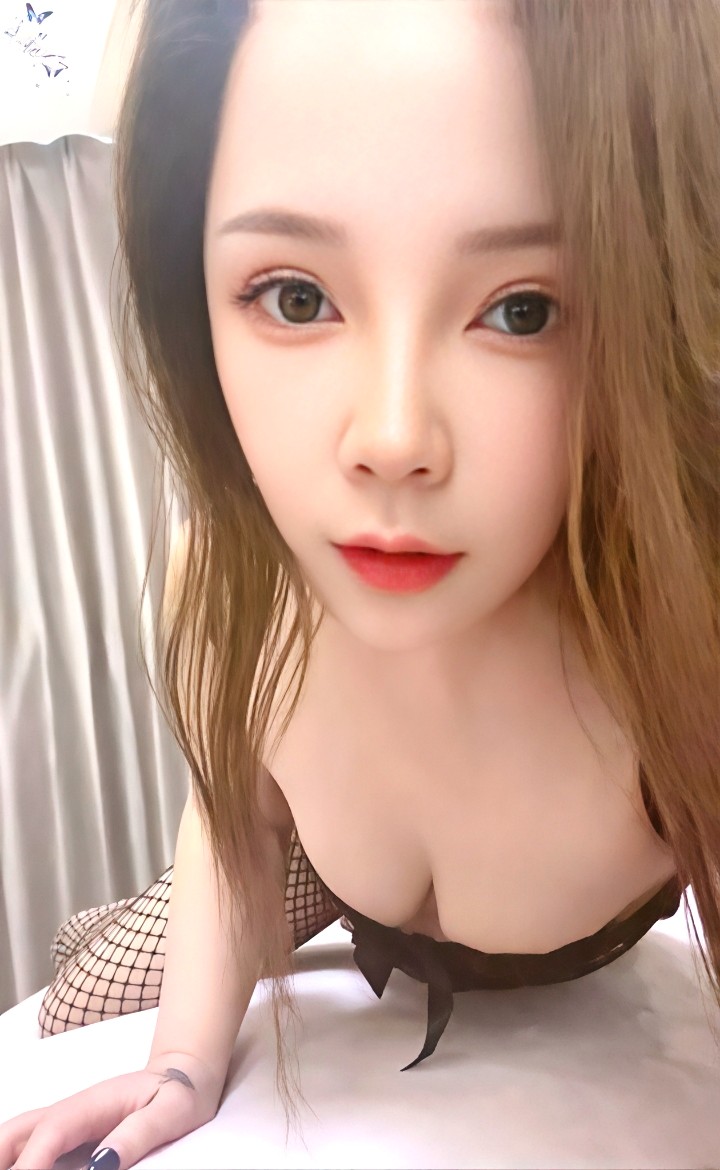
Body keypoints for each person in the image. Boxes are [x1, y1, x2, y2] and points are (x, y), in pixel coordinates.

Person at [2, 0, 718, 1166]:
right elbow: (234, 816)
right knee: (79, 992)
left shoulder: (687, 627)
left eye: (523, 311)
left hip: (569, 924)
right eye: (296, 297)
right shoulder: (220, 581)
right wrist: (180, 1070)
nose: (392, 439)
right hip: (325, 876)